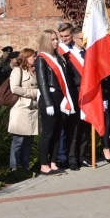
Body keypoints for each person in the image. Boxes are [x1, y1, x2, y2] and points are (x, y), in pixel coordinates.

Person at [35, 30, 69, 175]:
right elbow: (42, 82)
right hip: (49, 97)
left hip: (61, 97)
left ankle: (53, 162)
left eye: (56, 39)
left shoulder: (59, 58)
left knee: (57, 132)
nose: (56, 42)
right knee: (48, 133)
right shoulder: (41, 59)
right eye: (53, 39)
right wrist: (48, 103)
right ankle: (44, 165)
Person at [58, 23, 87, 170]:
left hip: (87, 94)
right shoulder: (64, 54)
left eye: (66, 36)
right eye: (61, 36)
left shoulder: (86, 53)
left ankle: (82, 156)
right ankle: (71, 158)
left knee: (84, 126)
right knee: (73, 128)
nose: (63, 39)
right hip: (73, 93)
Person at [8, 48, 39, 171]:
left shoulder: (35, 71)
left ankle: (25, 166)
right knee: (18, 140)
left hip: (34, 109)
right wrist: (31, 92)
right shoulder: (18, 70)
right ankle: (14, 167)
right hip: (21, 109)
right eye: (33, 56)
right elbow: (14, 88)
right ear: (26, 57)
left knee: (28, 141)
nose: (35, 58)